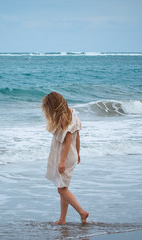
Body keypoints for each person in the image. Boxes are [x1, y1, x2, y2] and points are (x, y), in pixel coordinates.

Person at [42, 91, 89, 225]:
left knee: (61, 189)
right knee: (64, 188)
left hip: (65, 156)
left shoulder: (63, 119)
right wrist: (78, 153)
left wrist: (62, 161)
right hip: (71, 155)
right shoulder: (72, 113)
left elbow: (68, 140)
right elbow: (77, 137)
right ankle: (62, 219)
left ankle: (82, 212)